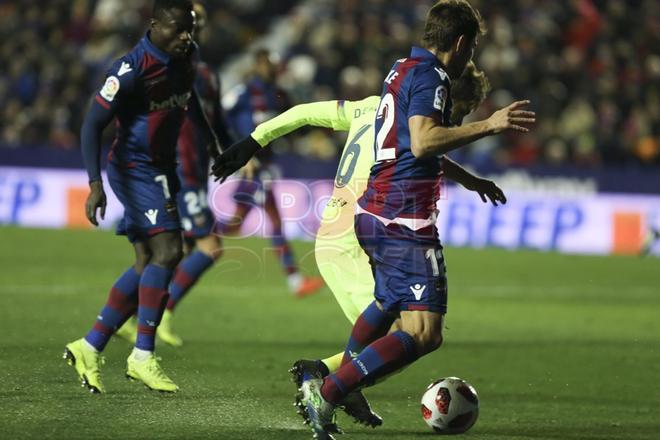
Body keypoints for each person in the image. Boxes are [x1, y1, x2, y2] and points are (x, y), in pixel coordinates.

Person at [212, 62, 500, 429]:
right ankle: (323, 380)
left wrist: (255, 140)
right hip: (358, 237)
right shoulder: (415, 118)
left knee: (402, 331)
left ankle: (335, 380)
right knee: (410, 334)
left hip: (344, 233)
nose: (452, 123)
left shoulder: (373, 107)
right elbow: (425, 144)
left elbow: (303, 112)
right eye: (457, 113)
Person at [290, 0, 532, 436]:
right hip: (407, 222)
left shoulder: (400, 68)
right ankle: (327, 391)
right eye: (472, 46)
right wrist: (489, 125)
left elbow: (408, 143)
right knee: (424, 334)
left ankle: (340, 384)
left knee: (386, 304)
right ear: (460, 43)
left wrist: (468, 178)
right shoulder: (432, 77)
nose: (471, 55)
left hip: (376, 211)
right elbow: (422, 142)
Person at [63, 0, 216, 393]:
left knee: (147, 260)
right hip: (133, 168)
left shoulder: (187, 57)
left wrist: (212, 142)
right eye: (179, 29)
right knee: (169, 252)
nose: (186, 37)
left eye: (191, 30)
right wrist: (94, 183)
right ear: (154, 26)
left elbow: (188, 98)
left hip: (162, 167)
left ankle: (90, 344)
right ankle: (142, 356)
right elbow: (91, 125)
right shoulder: (130, 69)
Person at [115, 0, 230, 348]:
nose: (191, 29)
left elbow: (214, 122)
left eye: (196, 23)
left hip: (194, 169)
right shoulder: (164, 68)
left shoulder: (205, 74)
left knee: (164, 253)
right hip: (176, 169)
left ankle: (125, 320)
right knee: (208, 247)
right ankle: (159, 313)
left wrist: (231, 151)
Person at [221, 49, 324, 297]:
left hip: (263, 165)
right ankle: (295, 279)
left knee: (236, 222)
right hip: (250, 166)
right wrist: (237, 154)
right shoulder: (243, 92)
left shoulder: (276, 94)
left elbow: (292, 121)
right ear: (257, 64)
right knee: (273, 219)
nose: (272, 68)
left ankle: (193, 235)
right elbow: (221, 122)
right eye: (268, 63)